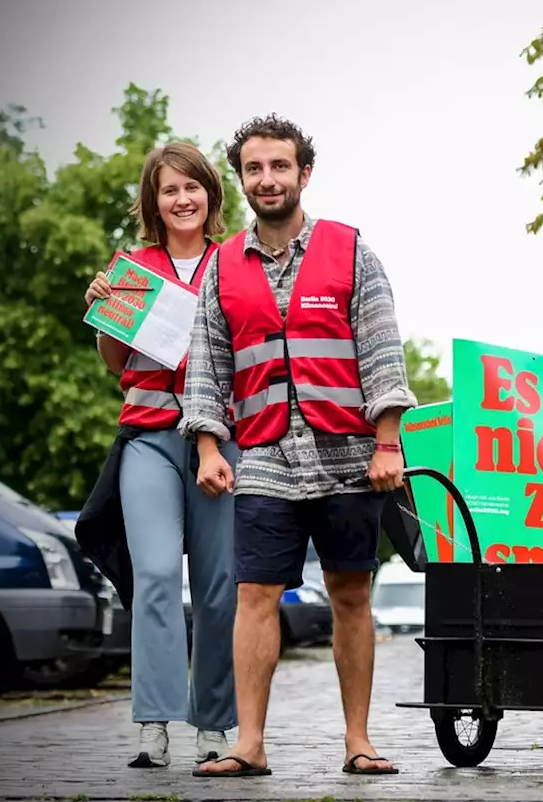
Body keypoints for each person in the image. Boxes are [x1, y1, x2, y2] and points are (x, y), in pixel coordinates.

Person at [183, 114, 416, 778]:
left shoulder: (350, 250)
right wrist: (207, 445)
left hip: (349, 454)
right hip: (262, 455)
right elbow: (207, 364)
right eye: (255, 169)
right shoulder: (223, 266)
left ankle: (358, 740)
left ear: (303, 173)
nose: (267, 178)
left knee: (350, 593)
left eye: (279, 166)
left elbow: (381, 346)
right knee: (254, 594)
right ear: (243, 179)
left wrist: (387, 441)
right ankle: (248, 742)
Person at [78, 142, 239, 768]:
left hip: (223, 440)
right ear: (154, 200)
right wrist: (105, 316)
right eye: (169, 189)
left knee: (221, 585)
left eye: (192, 187)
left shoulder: (235, 263)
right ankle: (153, 723)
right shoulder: (132, 267)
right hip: (148, 435)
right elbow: (116, 363)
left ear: (210, 194)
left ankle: (215, 726)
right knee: (155, 576)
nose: (182, 199)